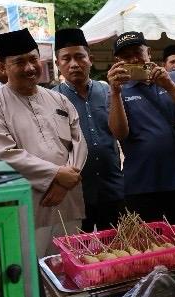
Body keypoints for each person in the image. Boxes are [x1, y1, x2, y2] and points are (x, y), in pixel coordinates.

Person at [0, 28, 87, 256]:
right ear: (4, 66)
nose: (29, 67)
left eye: (33, 59)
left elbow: (78, 141)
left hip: (68, 201)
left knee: (70, 267)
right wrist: (56, 175)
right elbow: (3, 153)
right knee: (30, 276)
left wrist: (64, 182)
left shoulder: (59, 99)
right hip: (27, 204)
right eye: (19, 62)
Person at [106, 32, 175, 236]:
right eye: (126, 56)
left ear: (148, 52)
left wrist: (169, 86)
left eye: (137, 52)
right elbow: (120, 133)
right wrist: (115, 92)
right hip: (141, 185)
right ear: (118, 62)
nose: (133, 59)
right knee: (148, 251)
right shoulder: (118, 89)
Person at [52, 28, 124, 232]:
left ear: (90, 59)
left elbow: (120, 133)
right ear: (58, 64)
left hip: (112, 188)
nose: (74, 64)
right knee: (79, 251)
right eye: (66, 59)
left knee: (115, 250)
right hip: (75, 194)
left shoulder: (109, 92)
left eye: (79, 57)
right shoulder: (51, 99)